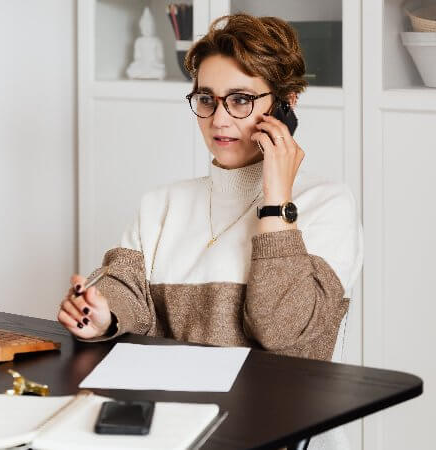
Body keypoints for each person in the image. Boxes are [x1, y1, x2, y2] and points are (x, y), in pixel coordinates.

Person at [58, 13, 362, 448]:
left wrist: (276, 199)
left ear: (285, 106)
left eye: (240, 99)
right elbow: (126, 290)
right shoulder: (161, 203)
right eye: (207, 98)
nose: (218, 119)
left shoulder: (327, 205)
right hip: (173, 430)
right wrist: (101, 313)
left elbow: (282, 330)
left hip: (279, 435)